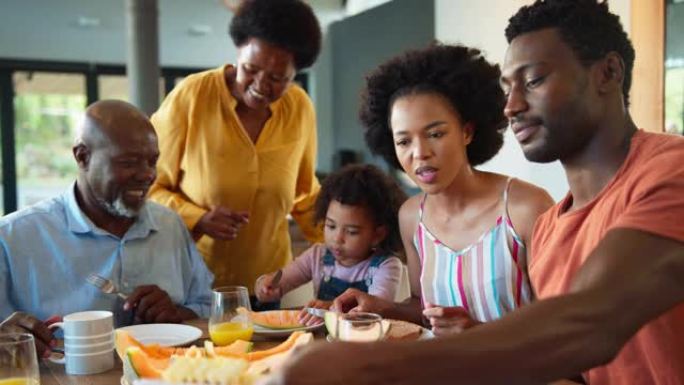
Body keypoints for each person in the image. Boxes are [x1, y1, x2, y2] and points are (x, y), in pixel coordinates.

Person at [265, 1, 684, 384]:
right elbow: (568, 368)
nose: (512, 105)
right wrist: (387, 310)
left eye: (534, 80)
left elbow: (591, 323)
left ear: (608, 72)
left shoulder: (670, 171)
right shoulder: (556, 228)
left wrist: (365, 366)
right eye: (508, 88)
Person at [338, 44, 553, 336]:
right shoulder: (412, 217)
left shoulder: (526, 207)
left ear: (467, 131)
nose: (420, 153)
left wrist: (477, 333)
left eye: (435, 134)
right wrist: (382, 307)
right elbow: (423, 308)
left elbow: (562, 327)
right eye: (404, 142)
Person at [0, 100, 214, 358]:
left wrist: (175, 314)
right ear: (82, 156)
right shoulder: (12, 238)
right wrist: (9, 340)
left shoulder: (170, 226)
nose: (147, 175)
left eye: (152, 161)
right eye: (129, 162)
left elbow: (207, 306)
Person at [148, 0, 323, 310]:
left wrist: (346, 246)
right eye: (251, 70)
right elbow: (149, 186)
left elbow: (306, 195)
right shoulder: (192, 96)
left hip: (268, 286)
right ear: (239, 50)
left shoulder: (299, 108)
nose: (260, 86)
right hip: (195, 288)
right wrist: (198, 218)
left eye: (277, 78)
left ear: (295, 73)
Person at [254, 164, 406, 325]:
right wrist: (266, 286)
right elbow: (283, 281)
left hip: (362, 342)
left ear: (378, 234)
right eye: (331, 226)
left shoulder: (386, 266)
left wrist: (329, 308)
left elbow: (376, 309)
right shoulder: (317, 255)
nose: (337, 238)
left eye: (351, 231)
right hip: (320, 340)